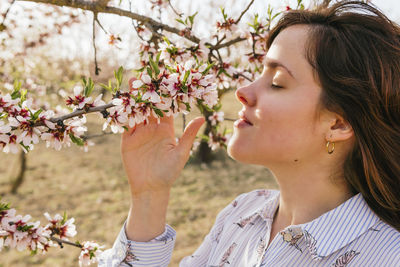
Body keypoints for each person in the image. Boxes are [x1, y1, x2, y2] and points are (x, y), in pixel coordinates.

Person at [98, 1, 400, 266]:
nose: (243, 91)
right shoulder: (242, 213)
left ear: (338, 124)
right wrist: (149, 194)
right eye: (259, 74)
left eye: (278, 82)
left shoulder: (387, 256)